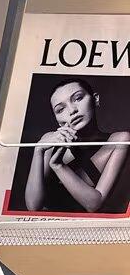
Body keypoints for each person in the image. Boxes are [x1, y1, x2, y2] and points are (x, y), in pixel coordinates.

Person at [23, 77, 130, 213]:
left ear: (95, 99)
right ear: (58, 120)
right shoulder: (49, 141)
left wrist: (58, 166)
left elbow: (94, 204)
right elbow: (33, 206)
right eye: (60, 109)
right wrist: (38, 150)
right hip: (49, 224)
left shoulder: (119, 140)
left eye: (78, 98)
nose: (72, 110)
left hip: (89, 225)